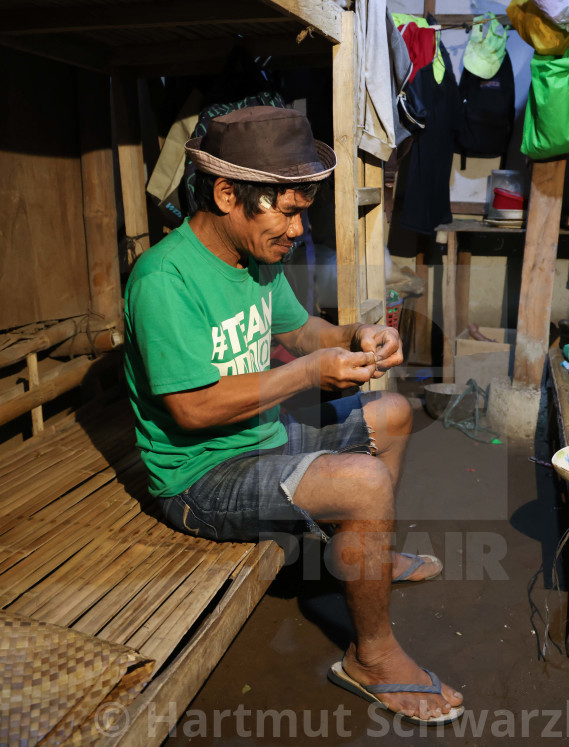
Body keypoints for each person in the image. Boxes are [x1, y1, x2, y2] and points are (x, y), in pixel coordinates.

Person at [123, 106, 464, 725]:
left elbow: (303, 330)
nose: (298, 229)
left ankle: (367, 558)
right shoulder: (163, 279)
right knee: (363, 483)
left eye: (302, 210)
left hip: (262, 437)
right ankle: (372, 658)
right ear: (227, 194)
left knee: (389, 412)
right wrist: (307, 374)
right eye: (286, 209)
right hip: (201, 477)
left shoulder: (255, 258)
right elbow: (193, 410)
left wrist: (357, 335)